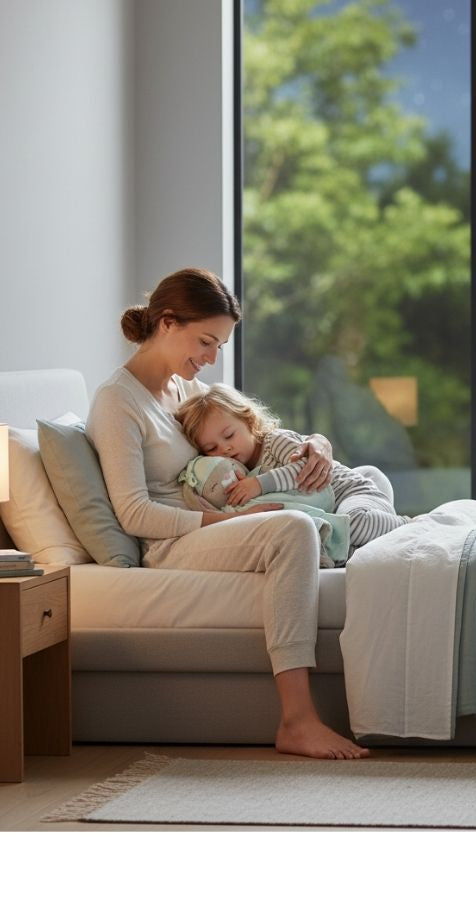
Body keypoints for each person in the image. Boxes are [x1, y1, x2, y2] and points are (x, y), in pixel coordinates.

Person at [85, 267, 368, 760]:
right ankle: (297, 720)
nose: (211, 358)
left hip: (219, 522)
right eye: (206, 342)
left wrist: (316, 446)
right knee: (293, 528)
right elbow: (133, 514)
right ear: (167, 323)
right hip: (172, 541)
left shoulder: (183, 392)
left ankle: (391, 530)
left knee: (354, 483)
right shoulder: (117, 403)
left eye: (218, 346)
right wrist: (237, 522)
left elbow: (255, 433)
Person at [177, 383, 411, 558]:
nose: (225, 448)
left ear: (248, 421)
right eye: (212, 448)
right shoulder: (237, 473)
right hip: (332, 510)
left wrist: (259, 484)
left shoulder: (274, 441)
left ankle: (408, 525)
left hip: (349, 492)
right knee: (342, 542)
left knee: (355, 523)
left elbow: (302, 466)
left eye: (229, 435)